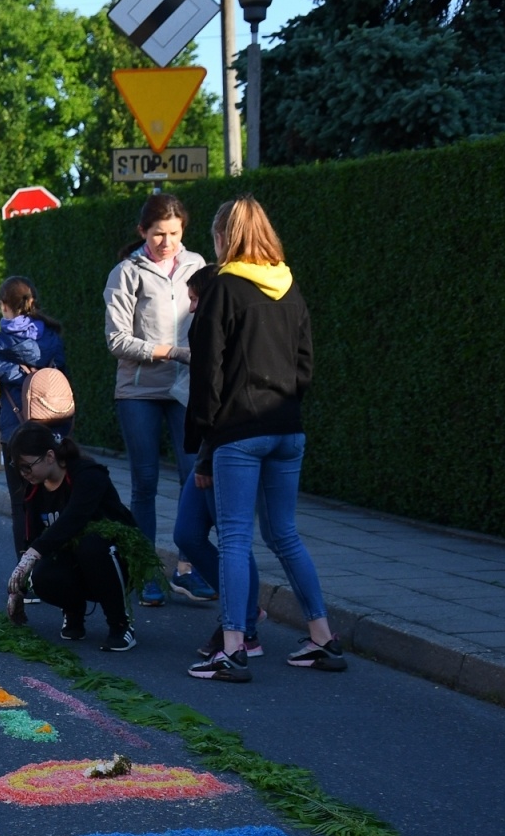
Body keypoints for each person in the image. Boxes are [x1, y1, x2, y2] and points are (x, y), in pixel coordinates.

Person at [186, 195, 347, 682]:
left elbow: (208, 371)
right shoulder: (289, 286)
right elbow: (305, 366)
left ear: (224, 237)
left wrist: (204, 438)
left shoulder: (224, 288)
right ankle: (323, 638)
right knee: (284, 534)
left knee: (235, 537)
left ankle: (233, 648)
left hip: (238, 431)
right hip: (287, 428)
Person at [103, 193, 213, 608]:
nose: (166, 242)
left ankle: (187, 568)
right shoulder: (126, 273)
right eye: (157, 234)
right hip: (139, 391)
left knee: (194, 477)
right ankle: (147, 572)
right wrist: (172, 352)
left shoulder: (197, 265)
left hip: (187, 389)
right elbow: (116, 340)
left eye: (174, 233)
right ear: (142, 232)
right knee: (145, 483)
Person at [174, 266, 266, 658]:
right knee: (187, 534)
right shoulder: (204, 331)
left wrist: (206, 460)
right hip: (206, 451)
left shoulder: (223, 334)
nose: (191, 308)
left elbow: (217, 402)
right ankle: (244, 612)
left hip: (222, 451)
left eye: (196, 299)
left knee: (233, 541)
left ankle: (244, 627)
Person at [0, 276, 71, 563]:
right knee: (60, 499)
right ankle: (64, 564)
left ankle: (28, 572)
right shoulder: (52, 337)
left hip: (18, 434)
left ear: (4, 305)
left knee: (22, 505)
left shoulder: (0, 344)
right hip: (56, 431)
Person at [7, 423, 139, 653]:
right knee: (42, 576)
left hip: (115, 560)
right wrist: (19, 589)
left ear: (50, 456)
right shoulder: (35, 491)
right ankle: (73, 612)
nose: (23, 474)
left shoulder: (87, 475)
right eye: (18, 468)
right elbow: (34, 538)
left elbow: (74, 518)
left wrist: (33, 552)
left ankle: (120, 624)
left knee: (91, 545)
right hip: (75, 562)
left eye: (27, 466)